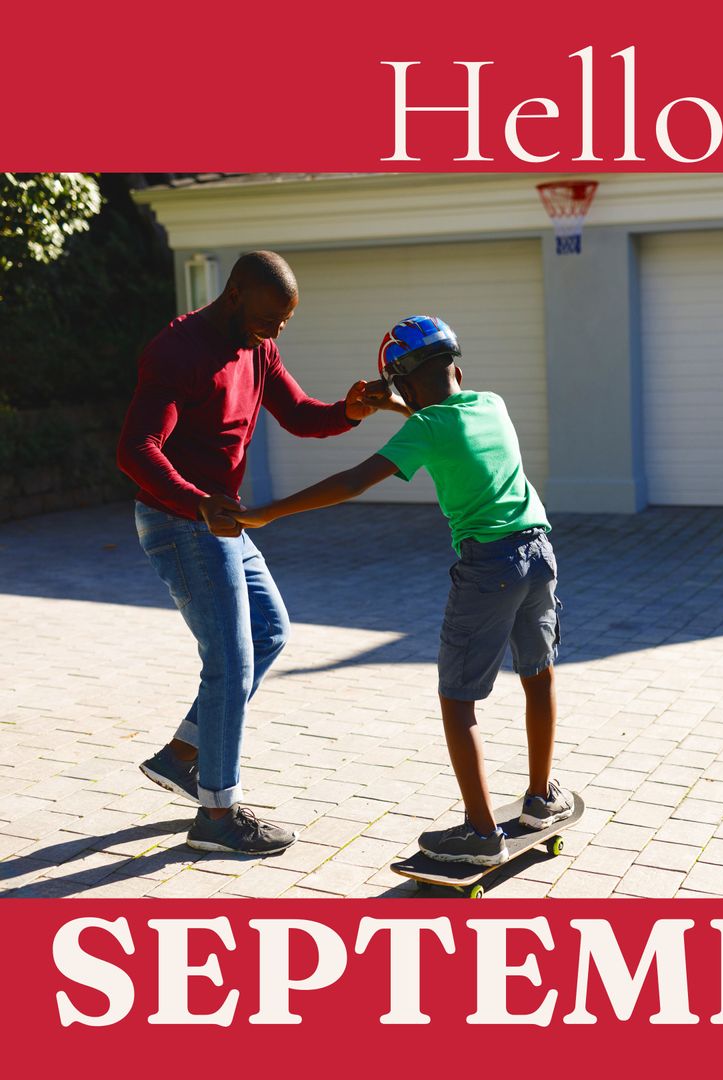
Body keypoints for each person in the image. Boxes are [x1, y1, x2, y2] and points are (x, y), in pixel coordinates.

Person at [224, 314, 573, 865]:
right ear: (456, 369)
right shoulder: (492, 405)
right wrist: (396, 404)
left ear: (405, 385)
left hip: (489, 568)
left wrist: (267, 512)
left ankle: (482, 834)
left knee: (458, 700)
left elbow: (353, 481)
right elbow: (444, 422)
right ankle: (541, 798)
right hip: (539, 553)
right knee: (539, 672)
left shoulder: (424, 428)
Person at [116, 250, 406, 855]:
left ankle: (182, 755)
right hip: (181, 521)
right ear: (236, 294)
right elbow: (137, 449)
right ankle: (217, 816)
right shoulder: (176, 351)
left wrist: (348, 412)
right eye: (270, 318)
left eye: (284, 322)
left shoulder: (259, 347)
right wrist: (198, 502)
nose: (276, 331)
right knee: (231, 660)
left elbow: (298, 415)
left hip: (221, 521)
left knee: (270, 630)